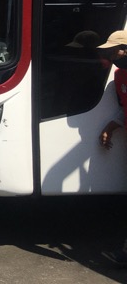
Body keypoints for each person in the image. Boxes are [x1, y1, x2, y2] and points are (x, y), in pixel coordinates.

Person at [97, 30, 127, 266]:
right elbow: (123, 109)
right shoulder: (119, 77)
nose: (111, 55)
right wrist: (110, 126)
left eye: (113, 49)